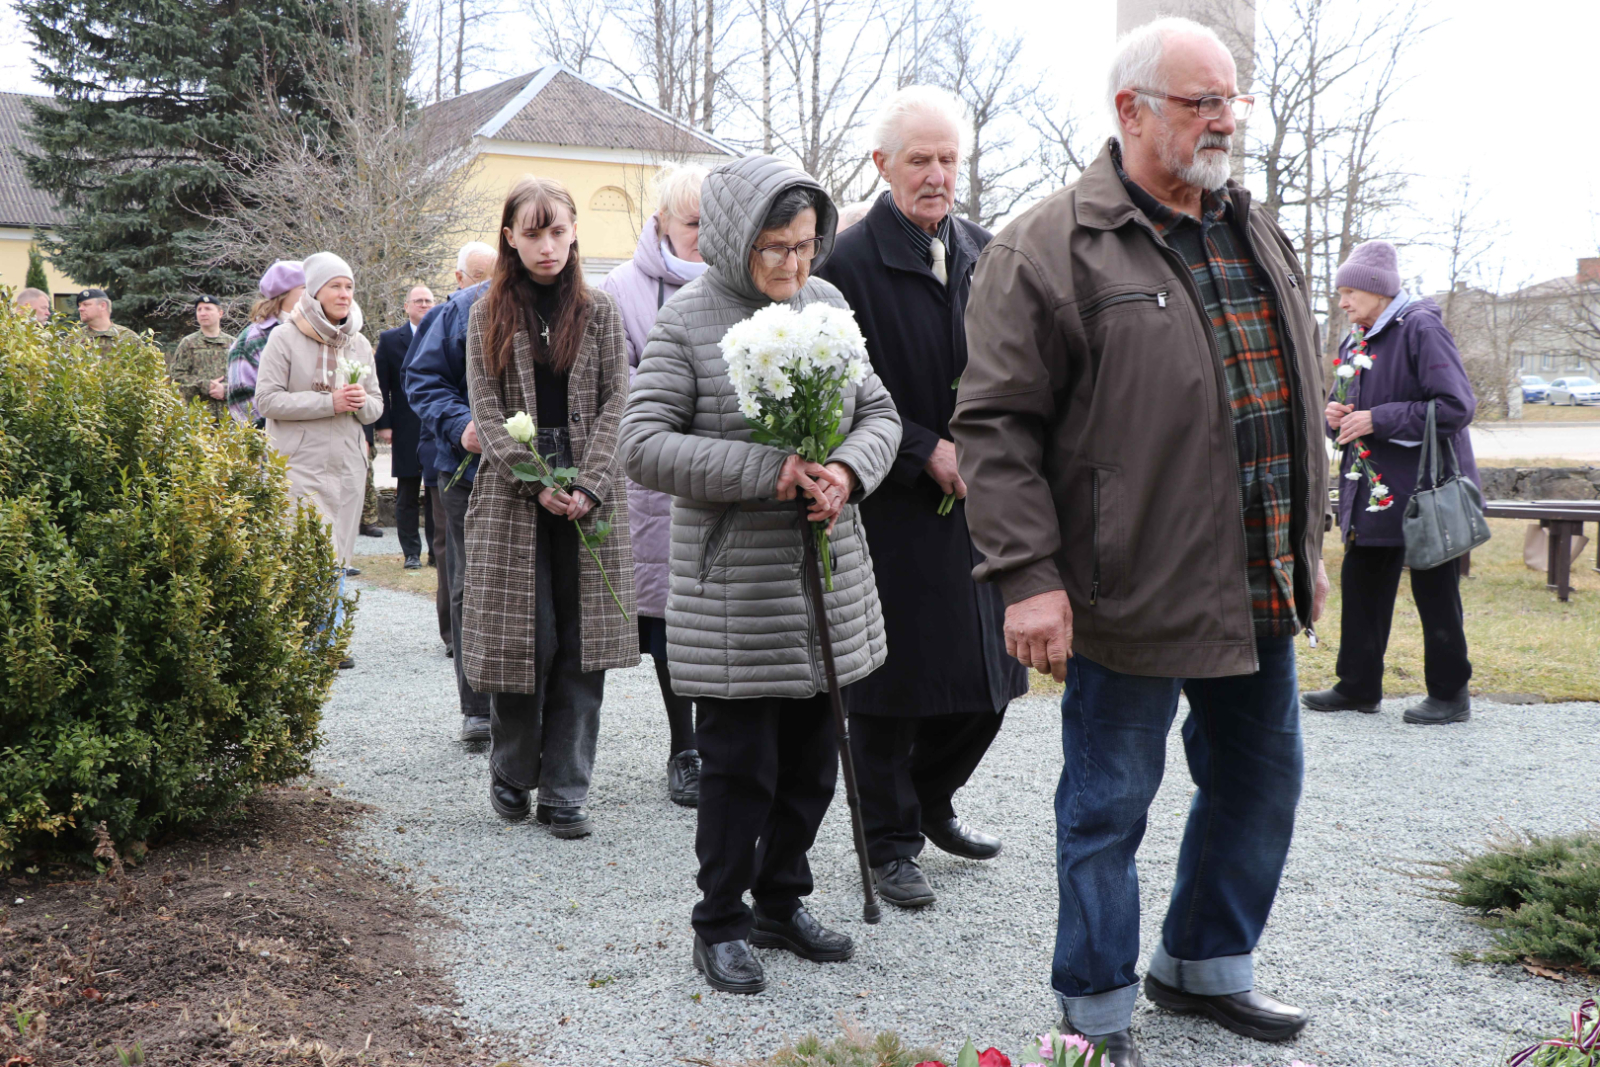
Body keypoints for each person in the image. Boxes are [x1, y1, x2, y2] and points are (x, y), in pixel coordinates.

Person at [950, 19, 1329, 1064]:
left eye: (1229, 99)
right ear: (1129, 109)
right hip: (1122, 590)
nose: (1224, 119)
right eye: (1200, 100)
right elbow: (993, 427)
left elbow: (1288, 401)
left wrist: (1309, 540)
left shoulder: (1251, 229)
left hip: (1255, 581)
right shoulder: (1049, 245)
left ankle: (1203, 965)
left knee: (1260, 783)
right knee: (1107, 808)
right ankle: (1096, 1004)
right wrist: (1027, 575)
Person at [622, 154, 902, 996]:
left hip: (826, 583)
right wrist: (765, 470)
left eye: (807, 244)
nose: (793, 264)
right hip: (736, 591)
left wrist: (847, 472)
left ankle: (782, 898)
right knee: (741, 771)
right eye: (775, 246)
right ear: (740, 237)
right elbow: (642, 443)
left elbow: (880, 413)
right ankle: (720, 922)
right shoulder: (689, 321)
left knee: (815, 762)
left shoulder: (827, 305)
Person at [816, 85, 1026, 909]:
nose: (937, 176)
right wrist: (917, 448)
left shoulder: (986, 251)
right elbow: (832, 392)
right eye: (919, 160)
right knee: (890, 685)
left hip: (983, 497)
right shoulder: (845, 264)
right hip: (888, 502)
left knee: (991, 678)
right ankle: (888, 841)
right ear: (881, 165)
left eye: (948, 159)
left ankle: (930, 799)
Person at [461, 176, 637, 835]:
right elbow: (486, 408)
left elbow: (621, 401)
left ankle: (566, 787)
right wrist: (536, 480)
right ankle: (512, 769)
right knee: (522, 641)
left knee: (581, 644)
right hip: (514, 497)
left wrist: (588, 483)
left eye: (557, 231)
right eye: (533, 233)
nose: (547, 245)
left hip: (589, 500)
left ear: (573, 234)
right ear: (510, 236)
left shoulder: (601, 311)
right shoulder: (487, 312)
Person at [1303, 240, 1479, 725]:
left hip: (1425, 491)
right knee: (1360, 582)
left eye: (1349, 291)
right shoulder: (1354, 339)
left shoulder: (1421, 328)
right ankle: (1358, 686)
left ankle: (1450, 694)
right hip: (1373, 491)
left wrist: (1379, 418)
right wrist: (1334, 416)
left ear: (1378, 290)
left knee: (1435, 590)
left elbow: (1456, 407)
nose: (1341, 302)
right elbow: (1348, 417)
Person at [600, 163, 710, 807]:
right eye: (693, 224)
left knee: (723, 617)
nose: (704, 236)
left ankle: (722, 743)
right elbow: (622, 387)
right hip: (657, 483)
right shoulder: (622, 290)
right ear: (663, 222)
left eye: (713, 224)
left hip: (727, 473)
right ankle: (684, 747)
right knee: (670, 621)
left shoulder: (743, 281)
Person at [254, 252, 383, 669]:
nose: (344, 294)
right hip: (297, 463)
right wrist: (329, 401)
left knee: (339, 554)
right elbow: (267, 400)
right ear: (314, 291)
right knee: (304, 550)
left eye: (349, 286)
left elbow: (377, 406)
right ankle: (298, 639)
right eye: (335, 286)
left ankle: (330, 641)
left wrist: (362, 403)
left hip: (346, 465)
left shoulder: (360, 342)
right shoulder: (285, 337)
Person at [407, 245, 498, 741]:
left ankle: (535, 704)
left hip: (545, 477)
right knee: (467, 587)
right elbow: (421, 378)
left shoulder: (573, 306)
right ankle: (478, 707)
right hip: (467, 473)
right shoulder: (459, 312)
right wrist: (459, 423)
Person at [376, 285, 435, 568]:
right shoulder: (389, 340)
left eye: (428, 301)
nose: (423, 305)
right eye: (418, 301)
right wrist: (384, 425)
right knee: (407, 493)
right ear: (407, 306)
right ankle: (412, 553)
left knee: (438, 493)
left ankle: (438, 552)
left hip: (438, 425)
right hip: (405, 426)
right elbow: (381, 386)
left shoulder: (443, 332)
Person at [227, 261, 306, 427]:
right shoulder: (252, 340)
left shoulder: (318, 333)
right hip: (275, 447)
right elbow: (244, 405)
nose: (314, 294)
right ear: (283, 294)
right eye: (304, 288)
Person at [166, 295, 236, 420]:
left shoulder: (233, 344)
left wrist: (226, 390)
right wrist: (205, 385)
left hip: (230, 418)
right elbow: (176, 377)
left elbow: (246, 380)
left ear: (220, 313)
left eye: (208, 309)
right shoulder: (188, 343)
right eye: (199, 310)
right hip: (198, 418)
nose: (203, 313)